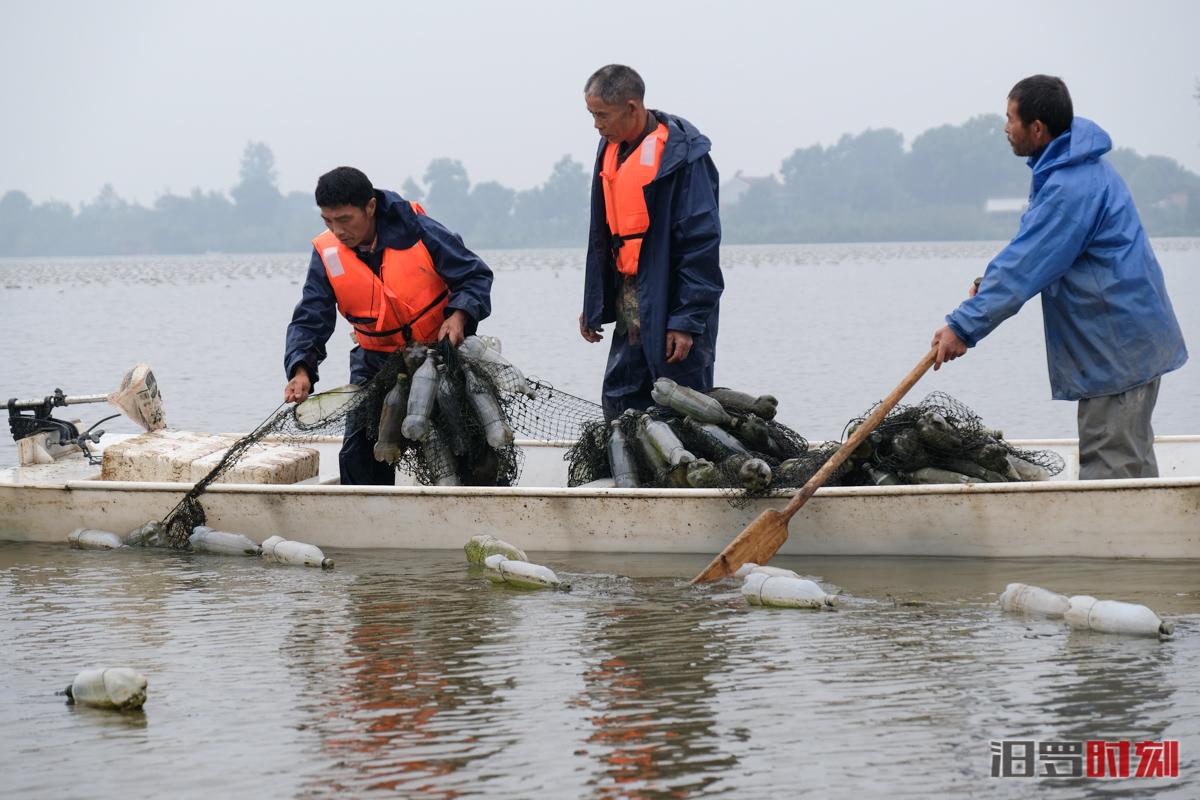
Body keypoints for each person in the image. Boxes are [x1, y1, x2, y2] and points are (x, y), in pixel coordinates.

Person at [931, 75, 1187, 479]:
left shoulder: (1072, 186)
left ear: (1037, 128)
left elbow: (1029, 263)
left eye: (1010, 118)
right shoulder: (1074, 170)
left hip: (1116, 346)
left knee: (1111, 469)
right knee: (1131, 460)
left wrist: (963, 326)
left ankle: (1114, 542)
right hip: (1130, 339)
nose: (1004, 128)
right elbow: (1032, 248)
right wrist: (988, 283)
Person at [283, 167, 493, 485]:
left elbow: (474, 275)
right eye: (328, 221)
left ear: (370, 207)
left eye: (345, 219)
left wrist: (459, 315)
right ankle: (368, 525)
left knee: (467, 443)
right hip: (376, 363)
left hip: (442, 353)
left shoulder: (419, 230)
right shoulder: (328, 254)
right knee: (358, 451)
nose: (337, 231)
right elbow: (312, 316)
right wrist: (301, 370)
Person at [579, 64, 724, 419]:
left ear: (632, 108)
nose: (597, 124)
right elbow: (602, 233)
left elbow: (701, 244)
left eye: (602, 115)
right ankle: (628, 473)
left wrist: (686, 321)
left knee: (680, 400)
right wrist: (594, 301)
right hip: (631, 295)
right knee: (621, 397)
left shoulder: (684, 155)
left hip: (672, 296)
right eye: (592, 115)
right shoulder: (609, 148)